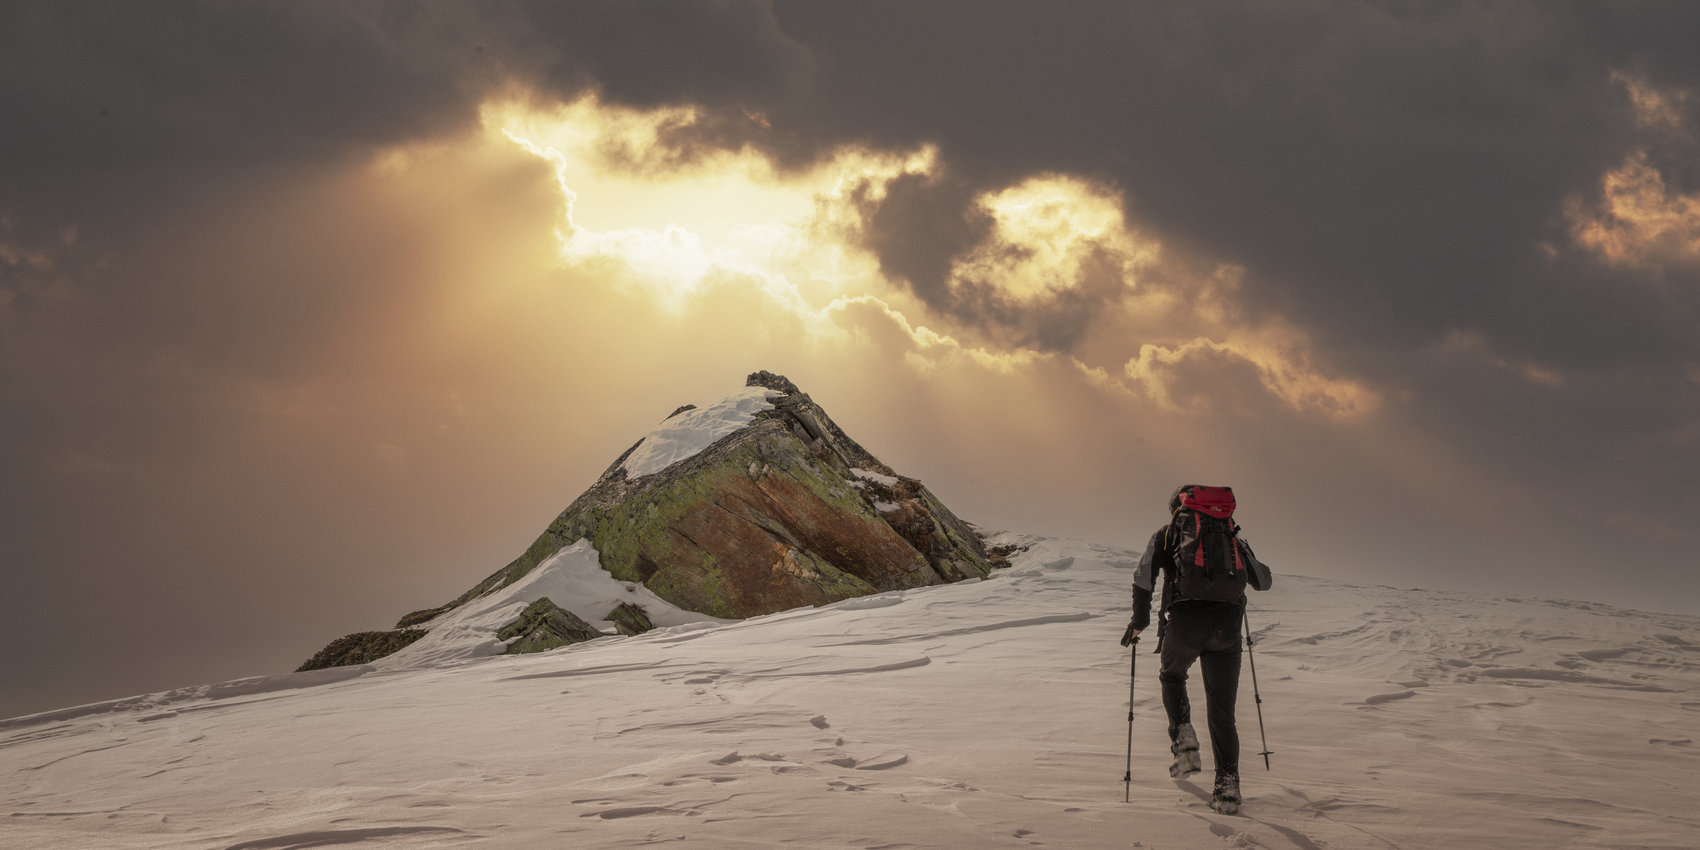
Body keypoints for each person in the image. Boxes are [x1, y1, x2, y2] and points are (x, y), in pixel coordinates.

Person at [1122, 485, 1272, 815]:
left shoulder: (1169, 533)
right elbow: (1263, 581)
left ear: (1178, 508)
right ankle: (1227, 786)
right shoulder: (1231, 534)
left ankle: (1184, 738)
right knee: (1223, 711)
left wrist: (1139, 622)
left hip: (1185, 622)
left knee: (1172, 676)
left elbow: (1143, 576)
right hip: (1227, 628)